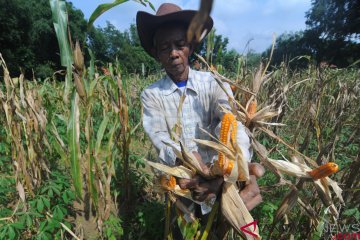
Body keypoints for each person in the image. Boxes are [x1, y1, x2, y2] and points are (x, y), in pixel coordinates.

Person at [136, 1, 264, 235]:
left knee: (223, 230)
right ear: (156, 54)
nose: (173, 53)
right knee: (188, 232)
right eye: (165, 48)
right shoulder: (151, 95)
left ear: (190, 47)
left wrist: (237, 165)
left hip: (222, 179)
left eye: (179, 45)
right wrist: (186, 160)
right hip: (183, 184)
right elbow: (160, 137)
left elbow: (230, 122)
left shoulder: (215, 84)